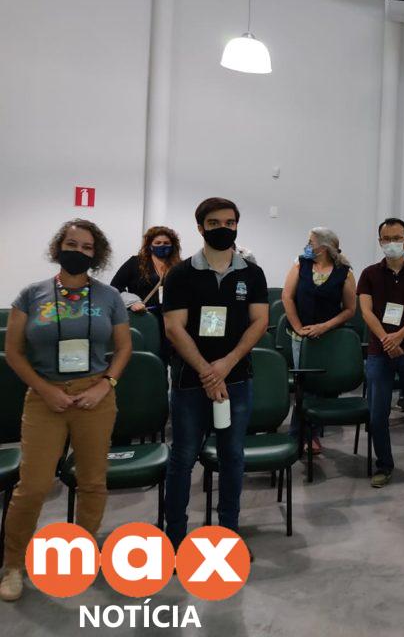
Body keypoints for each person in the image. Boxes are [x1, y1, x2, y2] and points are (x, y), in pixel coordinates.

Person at [0, 220, 131, 603]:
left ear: (97, 254)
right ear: (59, 247)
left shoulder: (109, 296)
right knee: (33, 486)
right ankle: (13, 565)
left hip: (95, 397)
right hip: (45, 397)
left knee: (92, 482)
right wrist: (45, 390)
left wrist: (105, 385)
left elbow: (123, 348)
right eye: (72, 244)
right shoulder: (31, 295)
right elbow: (13, 352)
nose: (78, 251)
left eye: (87, 247)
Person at [162, 197, 269, 552]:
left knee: (232, 456)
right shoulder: (180, 274)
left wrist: (226, 364)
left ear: (236, 226)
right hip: (190, 381)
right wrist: (208, 371)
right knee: (183, 457)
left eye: (229, 223)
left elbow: (259, 322)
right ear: (200, 228)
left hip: (236, 379)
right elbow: (174, 327)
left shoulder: (251, 273)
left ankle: (228, 535)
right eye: (214, 223)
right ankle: (175, 537)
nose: (223, 229)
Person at [358, 218, 404, 488]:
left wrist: (399, 335)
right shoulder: (369, 273)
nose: (392, 243)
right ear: (380, 241)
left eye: (397, 237)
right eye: (387, 238)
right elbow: (366, 311)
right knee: (378, 413)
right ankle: (384, 465)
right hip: (379, 352)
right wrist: (386, 339)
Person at [281, 227, 357, 451]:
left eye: (310, 242)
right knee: (304, 386)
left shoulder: (344, 272)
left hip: (328, 338)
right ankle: (303, 436)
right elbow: (287, 296)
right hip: (300, 337)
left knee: (320, 387)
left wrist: (324, 327)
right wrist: (298, 327)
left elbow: (350, 309)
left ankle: (307, 434)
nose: (307, 245)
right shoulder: (300, 264)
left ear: (323, 248)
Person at [110, 226, 182, 361]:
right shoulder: (135, 262)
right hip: (143, 318)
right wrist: (132, 302)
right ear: (150, 245)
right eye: (158, 243)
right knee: (141, 358)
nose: (162, 246)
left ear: (173, 245)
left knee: (164, 360)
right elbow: (115, 287)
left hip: (169, 322)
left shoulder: (179, 266)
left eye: (166, 243)